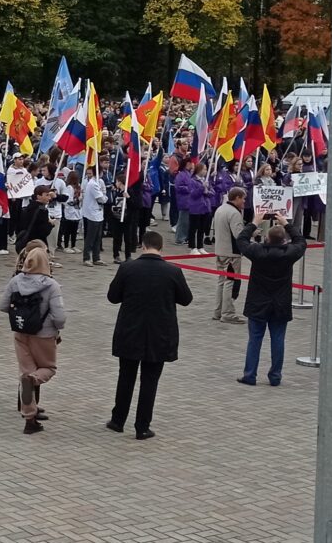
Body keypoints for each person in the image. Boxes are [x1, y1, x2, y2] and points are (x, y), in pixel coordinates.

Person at [105, 231, 192, 439]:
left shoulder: (128, 268)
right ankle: (142, 426)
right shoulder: (172, 271)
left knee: (125, 377)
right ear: (161, 248)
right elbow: (186, 299)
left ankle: (118, 420)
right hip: (159, 333)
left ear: (143, 246)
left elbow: (112, 297)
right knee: (150, 381)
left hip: (130, 331)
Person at [0, 246, 66, 434]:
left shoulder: (15, 281)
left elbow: (3, 305)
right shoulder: (51, 285)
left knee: (25, 372)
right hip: (44, 335)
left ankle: (30, 419)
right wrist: (55, 327)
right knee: (48, 368)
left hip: (21, 333)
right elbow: (60, 317)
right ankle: (34, 380)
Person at [236, 217, 308, 385]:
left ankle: (250, 374)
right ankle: (275, 376)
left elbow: (241, 240)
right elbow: (301, 241)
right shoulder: (289, 253)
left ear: (267, 238)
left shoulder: (257, 252)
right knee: (278, 340)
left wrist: (254, 222)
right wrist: (286, 223)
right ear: (284, 240)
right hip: (280, 303)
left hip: (258, 302)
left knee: (254, 339)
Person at [210, 186, 247, 322]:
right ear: (237, 198)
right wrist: (250, 232)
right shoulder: (234, 213)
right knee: (230, 283)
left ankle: (218, 311)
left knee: (221, 282)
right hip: (231, 253)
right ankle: (228, 313)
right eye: (243, 199)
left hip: (220, 250)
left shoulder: (221, 209)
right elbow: (239, 234)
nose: (244, 202)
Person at [79, 167, 107, 266]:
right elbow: (101, 198)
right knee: (90, 237)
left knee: (98, 237)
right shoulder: (93, 184)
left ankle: (96, 257)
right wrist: (105, 198)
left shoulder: (99, 182)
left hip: (98, 213)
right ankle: (86, 258)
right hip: (92, 213)